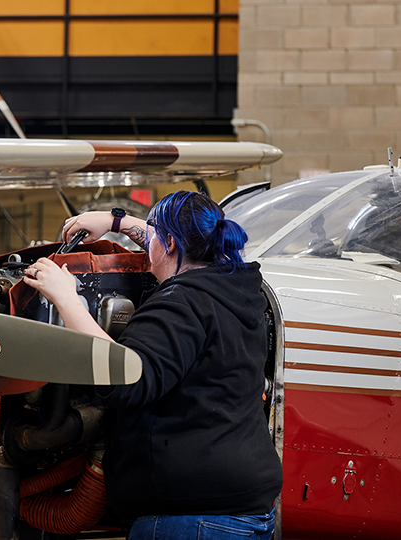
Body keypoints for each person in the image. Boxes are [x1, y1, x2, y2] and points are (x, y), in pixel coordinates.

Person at [23, 191, 282, 540]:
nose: (147, 249)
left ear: (171, 243)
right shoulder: (236, 290)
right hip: (243, 505)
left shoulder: (180, 304)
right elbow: (170, 242)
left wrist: (67, 298)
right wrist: (117, 222)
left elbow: (124, 378)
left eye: (153, 237)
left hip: (192, 516)